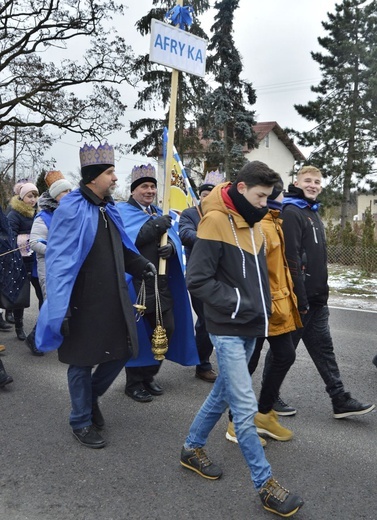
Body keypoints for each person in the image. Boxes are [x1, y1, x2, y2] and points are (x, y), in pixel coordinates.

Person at [180, 161, 304, 518]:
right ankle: (265, 485)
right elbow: (198, 280)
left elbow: (260, 279)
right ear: (242, 186)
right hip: (227, 328)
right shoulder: (215, 220)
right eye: (261, 195)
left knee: (222, 395)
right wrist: (240, 303)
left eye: (269, 197)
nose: (265, 203)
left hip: (251, 326)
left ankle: (191, 448)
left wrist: (265, 308)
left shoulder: (255, 224)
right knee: (245, 408)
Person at [35, 143, 156, 448]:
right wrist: (60, 307)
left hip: (113, 298)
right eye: (110, 172)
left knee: (126, 348)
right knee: (81, 361)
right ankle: (80, 419)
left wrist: (141, 265)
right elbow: (59, 262)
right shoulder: (71, 208)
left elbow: (122, 250)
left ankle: (90, 397)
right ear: (93, 177)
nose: (116, 178)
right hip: (81, 303)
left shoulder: (108, 208)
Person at [270, 165, 374, 419]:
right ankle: (269, 398)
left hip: (317, 300)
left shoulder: (311, 212)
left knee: (324, 351)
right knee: (283, 353)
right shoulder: (293, 211)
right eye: (308, 180)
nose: (313, 185)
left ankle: (339, 399)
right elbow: (291, 258)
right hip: (299, 301)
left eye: (317, 181)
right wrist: (300, 298)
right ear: (297, 181)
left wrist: (320, 294)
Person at [226, 177, 302, 446]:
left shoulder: (274, 221)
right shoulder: (261, 224)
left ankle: (264, 413)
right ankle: (236, 422)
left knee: (284, 355)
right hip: (260, 307)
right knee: (249, 362)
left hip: (277, 305)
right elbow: (252, 272)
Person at [117, 164, 198, 402]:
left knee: (167, 330)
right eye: (144, 186)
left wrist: (171, 248)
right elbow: (131, 241)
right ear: (133, 191)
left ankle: (149, 374)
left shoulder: (158, 213)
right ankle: (133, 383)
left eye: (152, 186)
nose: (150, 190)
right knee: (140, 335)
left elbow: (175, 243)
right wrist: (156, 226)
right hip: (138, 284)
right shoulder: (123, 212)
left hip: (161, 284)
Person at [178, 170, 225, 383]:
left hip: (224, 276)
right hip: (200, 276)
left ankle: (225, 359)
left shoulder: (227, 216)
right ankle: (202, 364)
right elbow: (185, 234)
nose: (208, 198)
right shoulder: (190, 214)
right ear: (200, 196)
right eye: (205, 194)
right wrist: (211, 239)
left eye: (213, 194)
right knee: (206, 320)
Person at [26, 170, 72, 356]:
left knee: (65, 304)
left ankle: (66, 341)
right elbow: (34, 242)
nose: (69, 195)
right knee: (52, 304)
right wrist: (55, 250)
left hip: (67, 266)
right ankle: (34, 337)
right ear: (55, 195)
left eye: (70, 191)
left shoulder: (70, 214)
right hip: (49, 267)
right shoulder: (43, 217)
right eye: (65, 192)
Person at [7, 182, 43, 340]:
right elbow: (8, 236)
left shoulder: (37, 213)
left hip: (35, 260)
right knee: (21, 295)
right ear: (22, 197)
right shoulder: (14, 214)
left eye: (35, 196)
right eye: (30, 196)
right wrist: (23, 240)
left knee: (42, 293)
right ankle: (19, 326)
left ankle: (42, 325)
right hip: (19, 260)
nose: (33, 199)